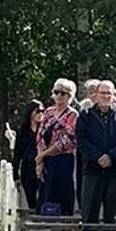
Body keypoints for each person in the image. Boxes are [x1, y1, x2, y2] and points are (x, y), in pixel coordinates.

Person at [76, 79, 116, 231]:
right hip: (92, 170)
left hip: (113, 171)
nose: (106, 96)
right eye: (102, 93)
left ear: (114, 96)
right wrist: (97, 156)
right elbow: (81, 140)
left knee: (110, 213)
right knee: (89, 212)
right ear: (95, 95)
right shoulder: (85, 115)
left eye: (109, 93)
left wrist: (111, 156)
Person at [35, 79, 78, 219]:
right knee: (45, 194)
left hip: (63, 160)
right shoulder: (48, 112)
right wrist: (40, 160)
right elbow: (40, 136)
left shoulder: (72, 115)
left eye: (63, 93)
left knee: (63, 196)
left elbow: (66, 141)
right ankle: (44, 227)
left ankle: (65, 230)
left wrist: (43, 155)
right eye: (56, 92)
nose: (59, 96)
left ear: (69, 96)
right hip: (47, 161)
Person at [9, 99, 41, 216]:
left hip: (42, 164)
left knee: (44, 195)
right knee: (30, 195)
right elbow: (17, 154)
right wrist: (15, 176)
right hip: (28, 167)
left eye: (42, 111)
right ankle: (33, 217)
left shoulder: (45, 129)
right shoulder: (22, 131)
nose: (40, 114)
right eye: (37, 111)